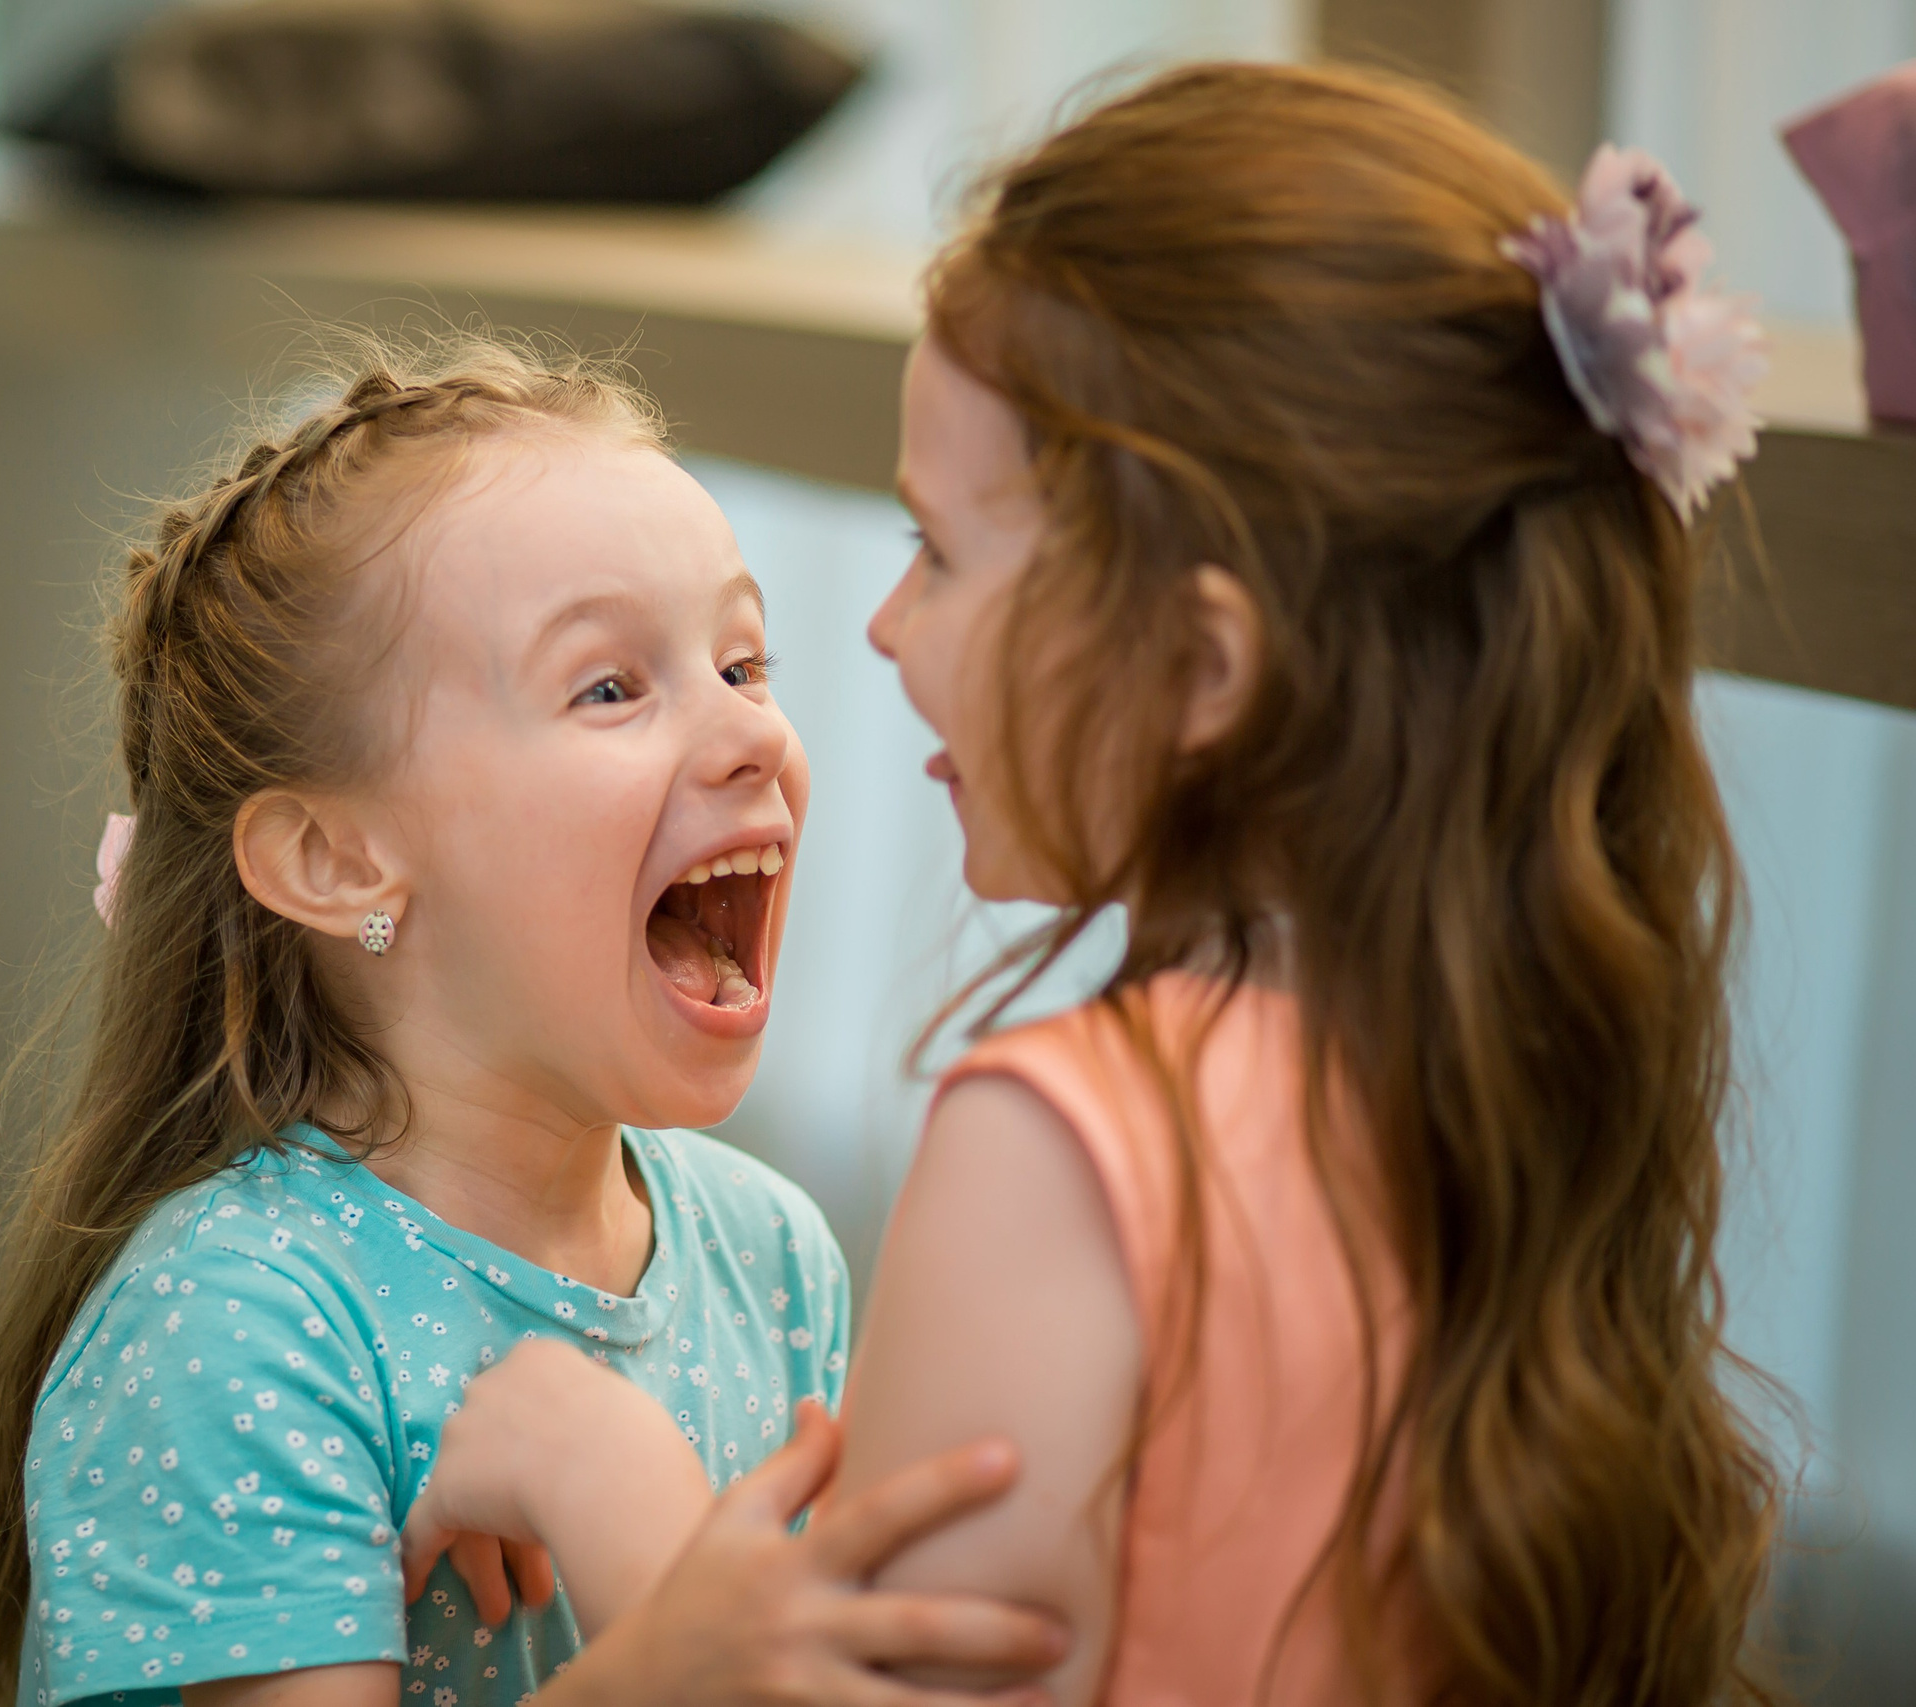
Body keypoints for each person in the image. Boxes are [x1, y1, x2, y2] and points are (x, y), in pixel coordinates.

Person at [404, 63, 1787, 1707]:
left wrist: (608, 1485)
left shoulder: (1060, 1154)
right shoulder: (1514, 1080)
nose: (884, 628)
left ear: (1202, 664)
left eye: (941, 551)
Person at [0, 337, 1072, 1707]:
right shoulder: (234, 1324)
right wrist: (647, 1612)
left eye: (743, 664)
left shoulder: (774, 1255)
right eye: (609, 687)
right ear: (338, 861)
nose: (753, 734)